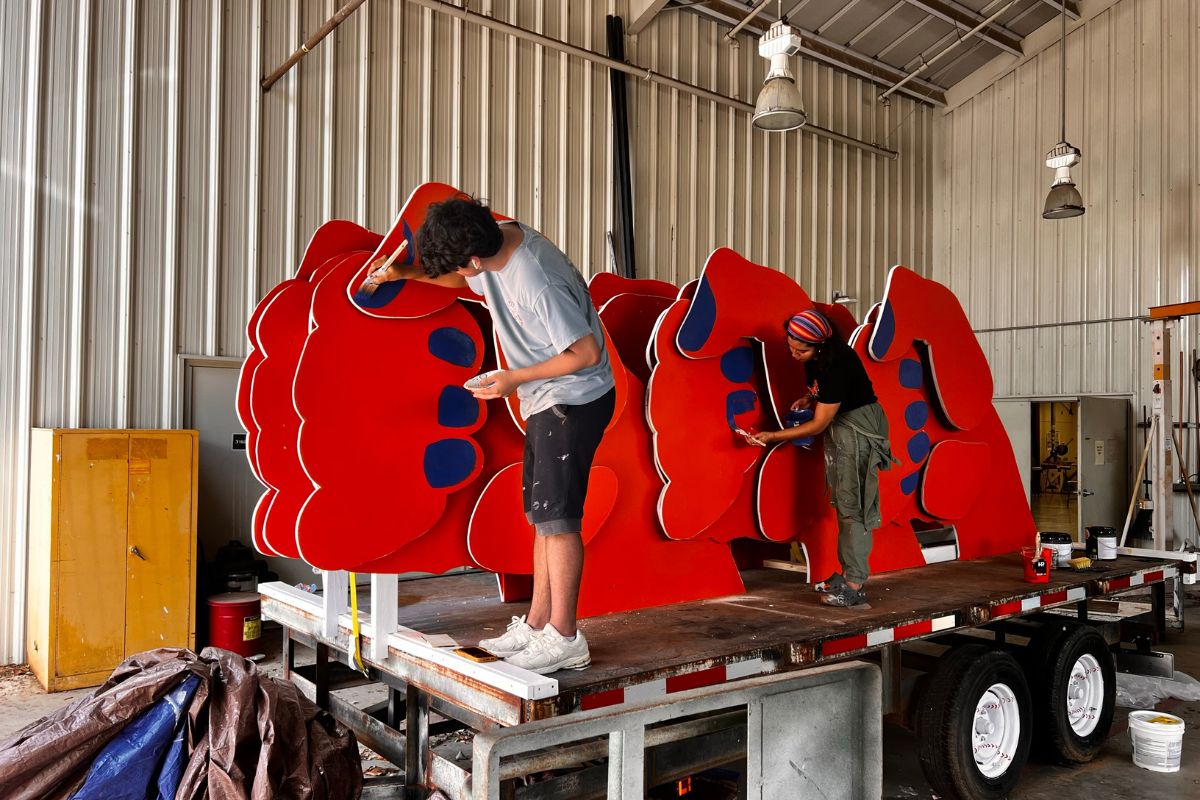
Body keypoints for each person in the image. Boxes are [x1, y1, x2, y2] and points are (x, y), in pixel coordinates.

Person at [410, 197, 616, 674]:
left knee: (559, 519)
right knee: (543, 517)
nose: (462, 278)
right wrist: (404, 274)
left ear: (476, 262)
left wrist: (513, 378)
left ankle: (566, 636)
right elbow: (456, 272)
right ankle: (539, 623)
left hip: (573, 396)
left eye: (463, 271)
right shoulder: (495, 233)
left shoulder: (535, 279)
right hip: (547, 397)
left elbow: (584, 353)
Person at [745, 310, 893, 607]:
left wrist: (772, 436)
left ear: (820, 345)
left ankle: (854, 584)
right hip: (842, 425)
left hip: (858, 428)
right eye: (790, 347)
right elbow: (825, 395)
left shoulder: (836, 363)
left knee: (855, 506)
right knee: (843, 501)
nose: (794, 354)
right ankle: (848, 572)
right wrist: (809, 397)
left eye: (801, 349)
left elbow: (817, 425)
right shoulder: (815, 360)